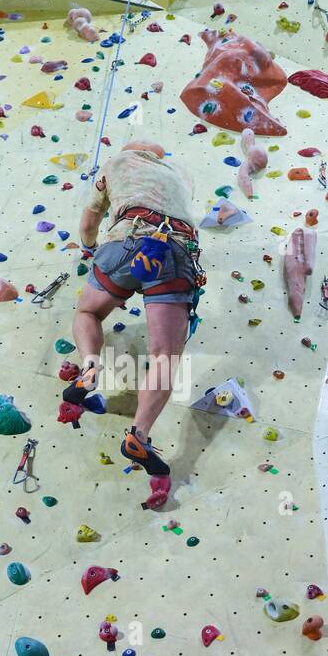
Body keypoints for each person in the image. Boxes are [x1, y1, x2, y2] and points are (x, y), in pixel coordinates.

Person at [64, 140, 203, 477]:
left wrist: (89, 249)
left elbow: (87, 224)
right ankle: (138, 435)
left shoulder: (115, 163)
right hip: (174, 250)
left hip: (126, 241)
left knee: (88, 313)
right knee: (164, 356)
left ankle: (90, 369)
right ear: (159, 156)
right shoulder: (181, 175)